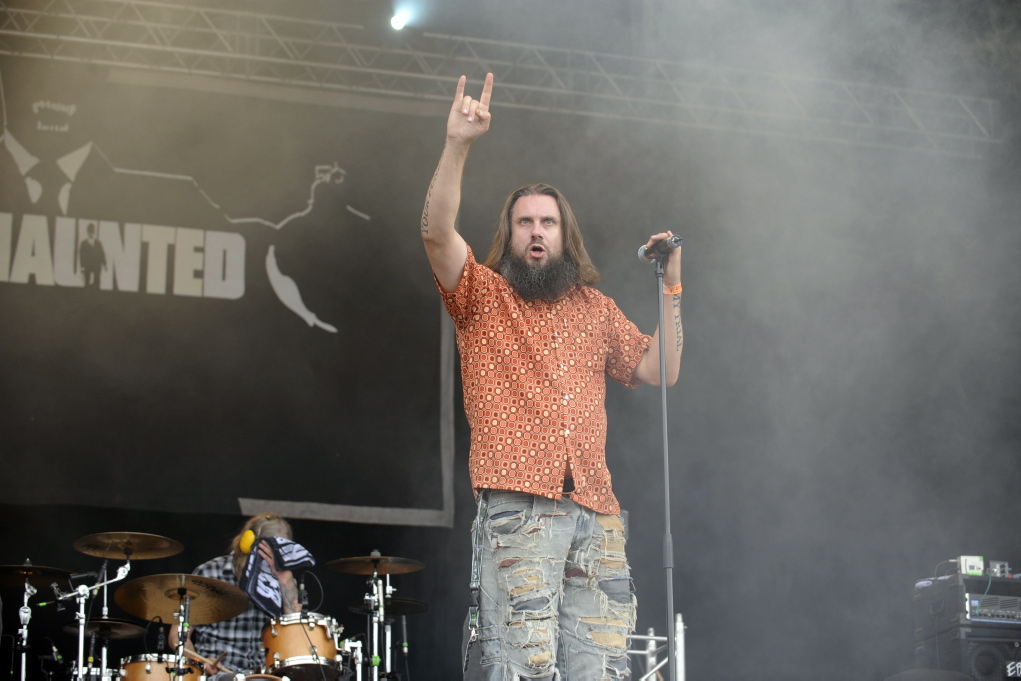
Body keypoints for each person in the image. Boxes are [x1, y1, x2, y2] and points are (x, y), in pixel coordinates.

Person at [420, 73, 683, 680]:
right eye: (525, 223)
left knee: (604, 669)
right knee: (525, 668)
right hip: (519, 506)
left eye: (548, 222)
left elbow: (661, 369)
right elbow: (435, 233)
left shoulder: (595, 308)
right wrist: (457, 144)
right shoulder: (483, 296)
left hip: (596, 508)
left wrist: (672, 282)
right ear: (509, 235)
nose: (537, 231)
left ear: (566, 236)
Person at [175, 512, 301, 679]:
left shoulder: (284, 580)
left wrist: (285, 580)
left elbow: (296, 634)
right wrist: (198, 661)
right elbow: (177, 636)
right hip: (218, 674)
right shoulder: (209, 573)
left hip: (263, 674)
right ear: (249, 544)